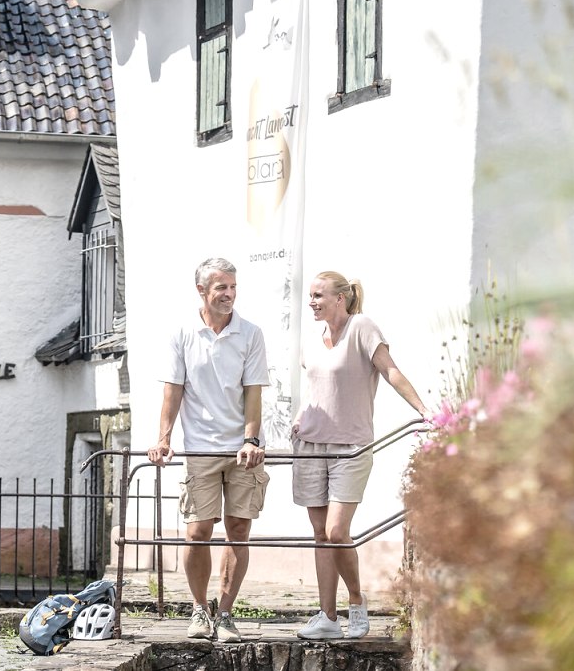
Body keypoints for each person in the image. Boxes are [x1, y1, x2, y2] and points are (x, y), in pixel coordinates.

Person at [290, 271, 431, 640]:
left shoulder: (362, 327)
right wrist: (300, 416)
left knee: (337, 531)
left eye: (319, 295)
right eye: (310, 296)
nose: (312, 302)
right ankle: (327, 617)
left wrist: (423, 410)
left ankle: (355, 599)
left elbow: (391, 372)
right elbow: (318, 390)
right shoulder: (313, 341)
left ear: (341, 298)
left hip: (351, 447)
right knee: (320, 534)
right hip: (310, 446)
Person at [148, 257, 270, 643]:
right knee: (197, 531)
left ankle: (226, 613)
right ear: (202, 290)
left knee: (238, 530)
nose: (229, 294)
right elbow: (174, 389)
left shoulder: (250, 333)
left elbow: (253, 393)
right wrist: (164, 437)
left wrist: (252, 439)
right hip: (199, 448)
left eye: (233, 287)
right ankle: (199, 610)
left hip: (241, 450)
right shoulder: (183, 333)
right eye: (221, 287)